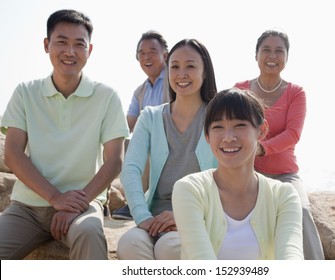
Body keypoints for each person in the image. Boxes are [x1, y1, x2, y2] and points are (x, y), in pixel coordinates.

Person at [0, 9, 129, 260]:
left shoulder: (107, 96)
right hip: (27, 207)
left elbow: (114, 160)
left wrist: (76, 204)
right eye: (61, 42)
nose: (70, 52)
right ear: (47, 45)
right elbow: (13, 154)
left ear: (89, 51)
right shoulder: (25, 92)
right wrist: (55, 198)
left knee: (90, 233)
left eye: (79, 44)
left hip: (83, 205)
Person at [172, 88, 303, 259]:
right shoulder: (190, 190)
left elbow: (291, 257)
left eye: (239, 125)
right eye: (218, 127)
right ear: (207, 135)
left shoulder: (283, 196)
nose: (228, 137)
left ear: (262, 130)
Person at [117, 38, 218, 259]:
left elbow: (227, 177)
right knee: (129, 244)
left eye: (190, 66)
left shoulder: (218, 117)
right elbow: (131, 169)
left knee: (169, 247)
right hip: (153, 216)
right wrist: (143, 217)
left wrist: (184, 215)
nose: (181, 73)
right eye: (174, 66)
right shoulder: (150, 117)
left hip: (198, 216)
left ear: (205, 72)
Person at [234, 29, 324, 260]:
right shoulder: (240, 89)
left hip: (285, 174)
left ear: (286, 57)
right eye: (266, 50)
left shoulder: (296, 93)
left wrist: (262, 148)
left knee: (301, 210)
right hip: (247, 173)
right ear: (256, 55)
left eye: (279, 51)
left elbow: (293, 133)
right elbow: (231, 129)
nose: (272, 55)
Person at [112, 30, 169, 220]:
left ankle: (140, 203)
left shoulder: (174, 79)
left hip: (175, 139)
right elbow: (129, 124)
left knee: (146, 145)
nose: (146, 57)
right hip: (152, 140)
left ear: (165, 55)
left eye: (152, 51)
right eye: (141, 53)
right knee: (126, 143)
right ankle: (133, 202)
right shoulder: (140, 91)